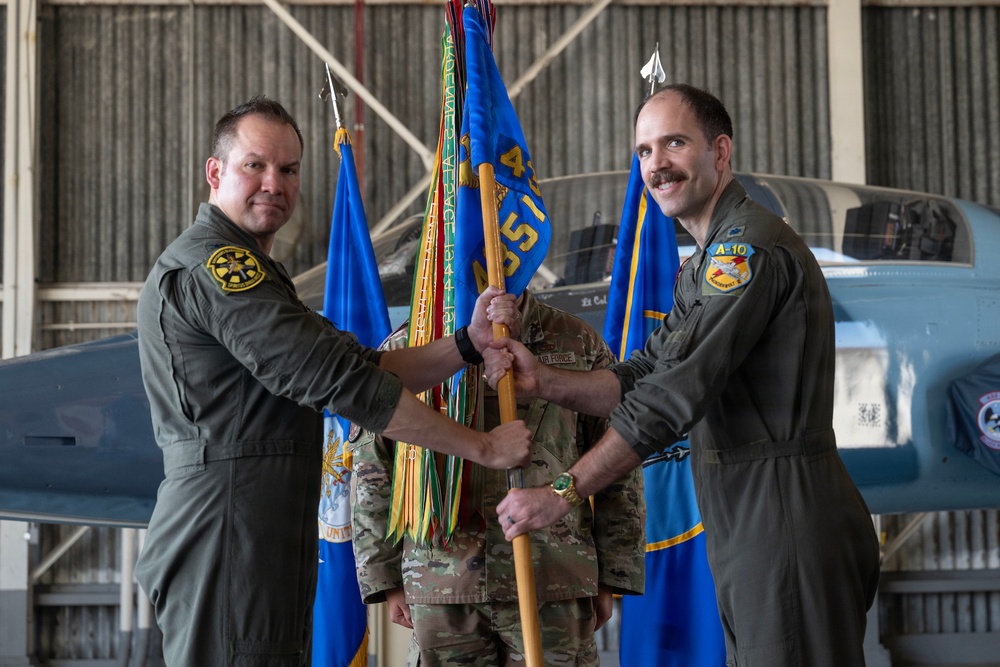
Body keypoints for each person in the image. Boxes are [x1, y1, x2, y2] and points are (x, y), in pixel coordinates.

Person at [487, 84, 881, 667]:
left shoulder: (745, 253)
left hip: (783, 512)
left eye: (674, 143)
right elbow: (644, 373)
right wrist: (544, 380)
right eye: (644, 150)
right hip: (749, 513)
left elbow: (670, 399)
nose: (657, 165)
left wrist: (562, 494)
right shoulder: (703, 263)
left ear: (720, 152)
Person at [134, 95, 531, 666]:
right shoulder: (219, 269)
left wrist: (466, 345)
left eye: (288, 170)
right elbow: (341, 384)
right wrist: (483, 447)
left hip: (254, 527)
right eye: (255, 165)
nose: (274, 182)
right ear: (215, 172)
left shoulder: (257, 274)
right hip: (227, 530)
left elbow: (363, 365)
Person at [350, 289, 645, 667]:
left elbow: (619, 458)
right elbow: (373, 468)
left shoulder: (577, 340)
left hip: (553, 577)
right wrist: (383, 579)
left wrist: (613, 574)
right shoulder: (414, 343)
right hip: (441, 580)